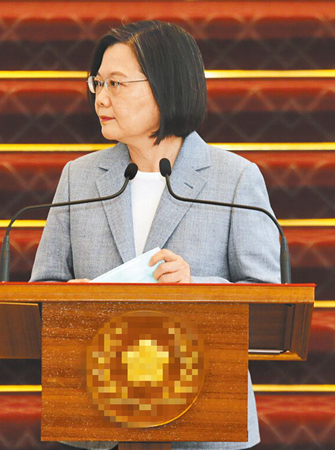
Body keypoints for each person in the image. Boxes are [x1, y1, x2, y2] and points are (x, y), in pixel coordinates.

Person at [31, 21, 280, 449]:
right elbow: (42, 288)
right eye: (97, 83)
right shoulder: (79, 177)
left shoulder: (235, 178)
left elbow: (267, 304)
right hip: (99, 415)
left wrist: (195, 287)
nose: (101, 98)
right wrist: (70, 300)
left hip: (203, 420)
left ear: (166, 86)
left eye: (116, 83)